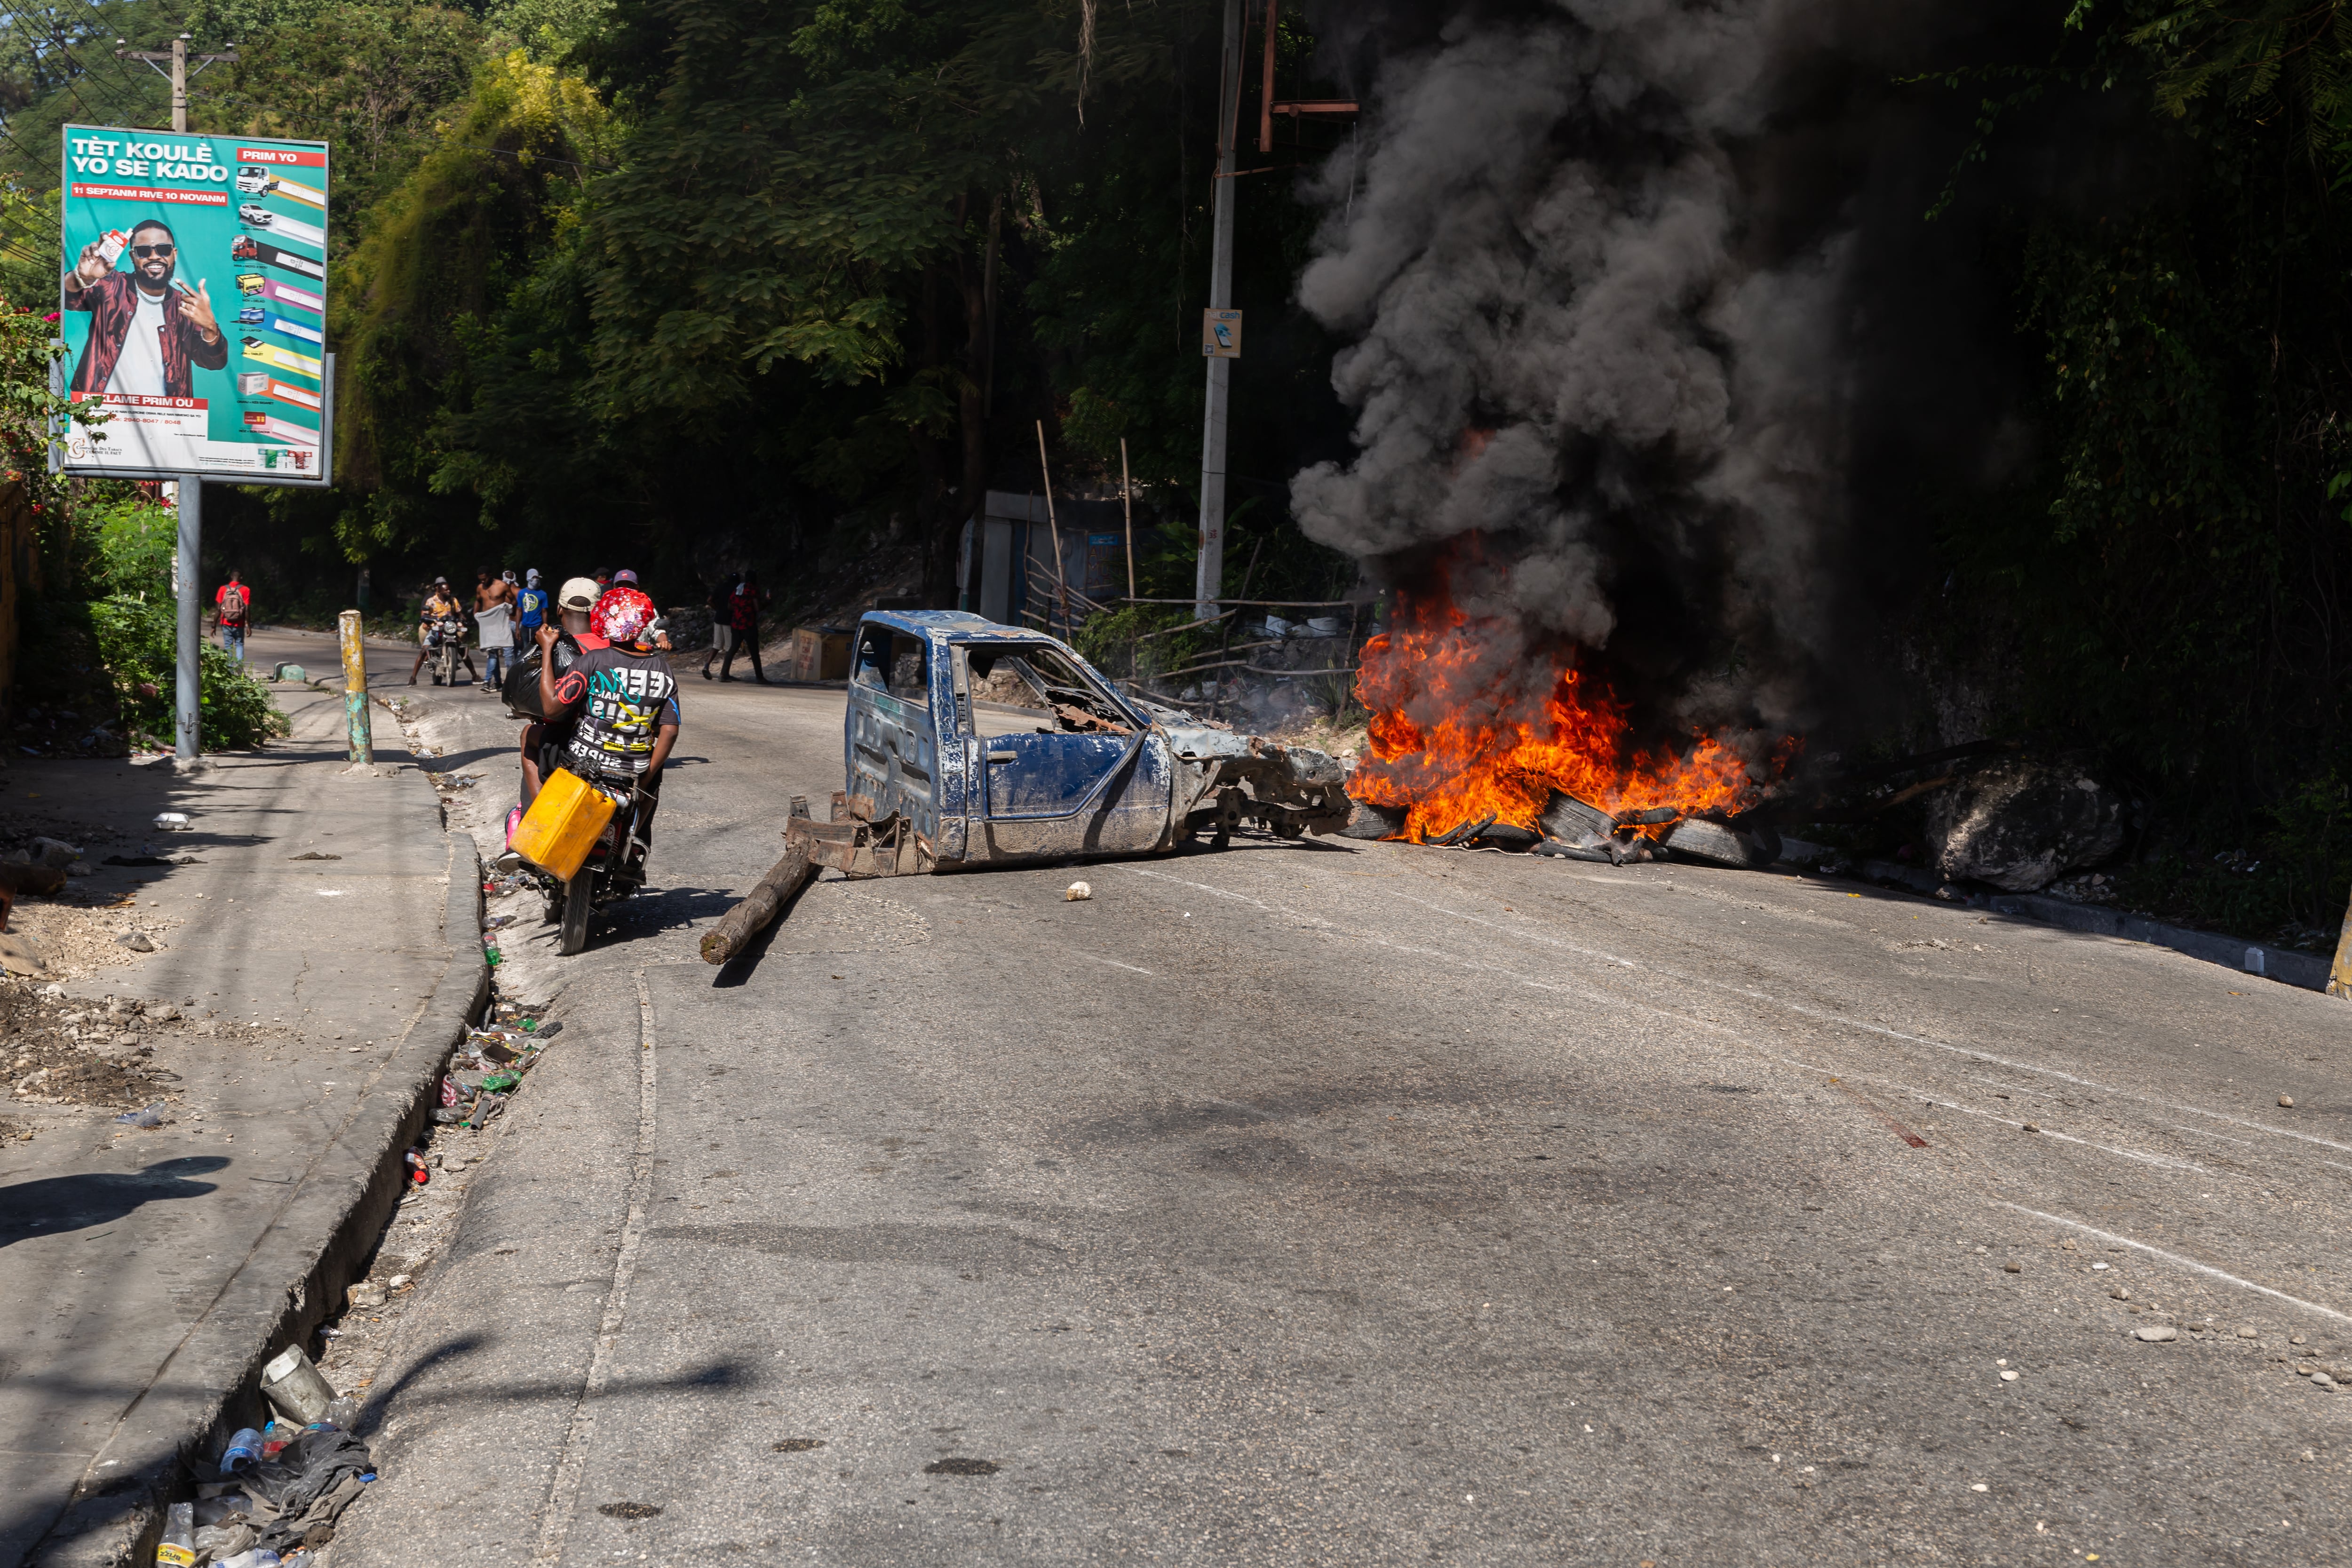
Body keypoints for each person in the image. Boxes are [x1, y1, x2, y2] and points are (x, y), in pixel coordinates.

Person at [535, 585, 680, 889]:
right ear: (642, 625)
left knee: (543, 751)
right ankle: (631, 849)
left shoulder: (594, 661)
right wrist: (646, 774)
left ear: (602, 620)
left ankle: (538, 830)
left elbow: (551, 705)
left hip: (583, 762)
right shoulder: (663, 670)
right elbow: (669, 729)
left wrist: (548, 648)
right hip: (632, 771)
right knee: (653, 786)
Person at [63, 217, 228, 397]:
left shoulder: (185, 307)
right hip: (99, 412)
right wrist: (82, 278)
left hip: (166, 417)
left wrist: (210, 327)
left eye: (163, 250)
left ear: (174, 254)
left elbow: (214, 362)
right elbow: (69, 298)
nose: (155, 256)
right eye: (143, 251)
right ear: (132, 256)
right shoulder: (112, 286)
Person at [512, 576, 605, 833]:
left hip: (569, 740)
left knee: (528, 735)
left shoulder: (551, 644)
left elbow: (530, 698)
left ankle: (538, 822)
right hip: (610, 742)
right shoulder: (613, 646)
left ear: (560, 609)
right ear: (597, 610)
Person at [409, 576, 477, 685]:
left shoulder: (453, 601)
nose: (449, 591)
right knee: (424, 651)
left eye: (449, 589)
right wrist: (429, 621)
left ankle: (475, 676)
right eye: (446, 590)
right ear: (439, 590)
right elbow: (424, 615)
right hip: (436, 628)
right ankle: (413, 678)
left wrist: (462, 619)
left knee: (462, 649)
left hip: (450, 627)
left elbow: (459, 613)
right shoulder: (431, 601)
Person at [720, 570, 768, 683]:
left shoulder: (739, 588)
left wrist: (739, 609)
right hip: (748, 623)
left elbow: (730, 606)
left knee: (733, 648)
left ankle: (724, 674)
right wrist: (767, 602)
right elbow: (757, 608)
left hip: (736, 623)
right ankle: (760, 677)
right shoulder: (753, 589)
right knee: (754, 651)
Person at [476, 569, 516, 692]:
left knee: (508, 652)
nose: (483, 581)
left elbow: (514, 600)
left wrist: (509, 607)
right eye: (481, 579)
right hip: (488, 624)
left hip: (501, 622)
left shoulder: (502, 585)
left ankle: (510, 682)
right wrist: (475, 614)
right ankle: (495, 682)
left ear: (491, 575)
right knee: (492, 653)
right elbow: (478, 601)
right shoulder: (480, 588)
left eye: (485, 579)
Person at [213, 570, 251, 667]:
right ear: (241, 578)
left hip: (226, 622)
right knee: (239, 645)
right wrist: (249, 626)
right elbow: (247, 610)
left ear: (231, 577)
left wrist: (213, 626)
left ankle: (229, 670)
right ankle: (239, 668)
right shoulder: (246, 590)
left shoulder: (223, 589)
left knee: (228, 646)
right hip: (239, 623)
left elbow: (218, 609)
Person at [700, 573, 733, 680]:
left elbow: (710, 600)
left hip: (718, 618)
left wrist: (718, 609)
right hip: (729, 620)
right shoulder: (736, 588)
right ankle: (725, 674)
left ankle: (707, 666)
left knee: (716, 645)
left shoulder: (721, 586)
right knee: (729, 647)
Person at [516, 569, 548, 643]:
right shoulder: (522, 593)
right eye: (533, 577)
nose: (535, 580)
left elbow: (544, 611)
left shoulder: (543, 594)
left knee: (536, 648)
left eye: (537, 578)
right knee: (526, 648)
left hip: (537, 625)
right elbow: (519, 610)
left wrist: (545, 626)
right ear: (529, 578)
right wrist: (517, 628)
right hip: (525, 626)